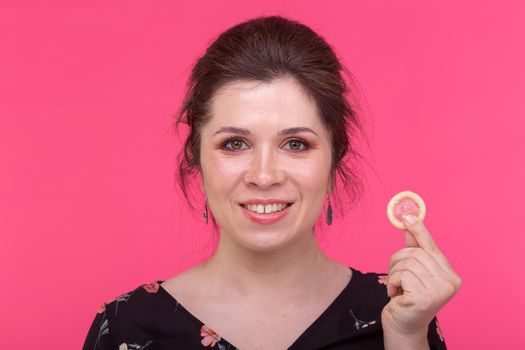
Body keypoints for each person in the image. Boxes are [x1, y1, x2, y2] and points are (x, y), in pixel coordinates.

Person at [82, 15, 461, 350]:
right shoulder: (124, 327)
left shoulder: (400, 312)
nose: (264, 176)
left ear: (335, 161)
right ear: (197, 160)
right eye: (235, 144)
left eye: (295, 144)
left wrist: (407, 339)